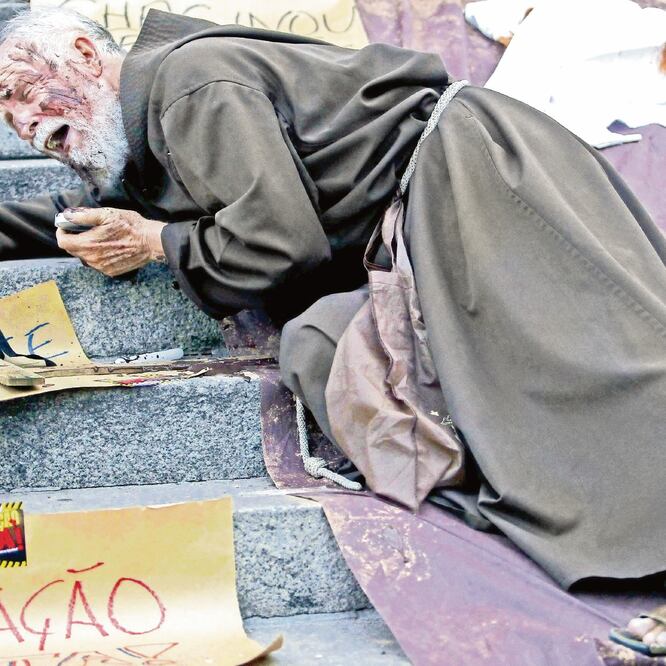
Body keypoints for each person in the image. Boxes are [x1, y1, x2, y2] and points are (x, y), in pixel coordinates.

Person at [0, 7, 664, 653]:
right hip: (412, 231)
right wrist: (139, 231)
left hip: (473, 176)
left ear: (86, 57)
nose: (24, 125)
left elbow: (282, 239)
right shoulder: (145, 124)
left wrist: (159, 242)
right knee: (321, 347)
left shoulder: (191, 82)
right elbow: (71, 212)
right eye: (6, 117)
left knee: (603, 371)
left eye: (21, 94)